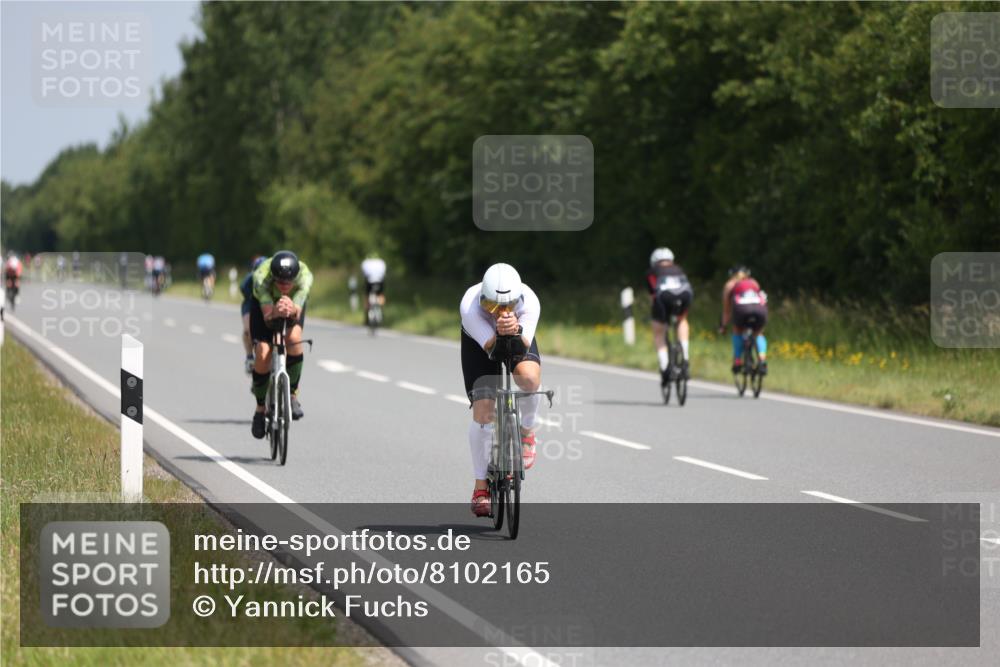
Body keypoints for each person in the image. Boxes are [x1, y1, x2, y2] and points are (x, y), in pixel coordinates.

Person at [460, 263, 542, 517]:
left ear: (518, 300)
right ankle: (480, 486)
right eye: (493, 307)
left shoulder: (529, 303)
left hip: (517, 335)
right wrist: (499, 331)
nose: (500, 312)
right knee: (484, 410)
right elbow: (490, 348)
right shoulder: (470, 306)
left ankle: (527, 431)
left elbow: (523, 344)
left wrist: (514, 329)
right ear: (483, 300)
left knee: (529, 380)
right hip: (480, 343)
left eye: (508, 306)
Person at [248, 251, 313, 438]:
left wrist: (292, 310)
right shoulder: (261, 278)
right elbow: (268, 317)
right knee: (263, 352)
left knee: (293, 339)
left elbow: (297, 312)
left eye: (288, 283)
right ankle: (260, 410)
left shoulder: (305, 277)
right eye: (280, 283)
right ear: (273, 278)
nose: (284, 287)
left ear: (295, 278)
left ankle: (292, 395)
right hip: (264, 306)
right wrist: (276, 311)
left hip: (292, 306)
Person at [646, 247, 693, 386]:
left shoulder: (652, 272)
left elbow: (653, 296)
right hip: (685, 295)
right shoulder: (679, 269)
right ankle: (685, 356)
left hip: (664, 297)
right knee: (682, 320)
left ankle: (665, 366)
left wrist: (656, 316)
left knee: (659, 332)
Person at [720, 266, 768, 375]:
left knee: (737, 330)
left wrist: (723, 326)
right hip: (759, 310)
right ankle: (762, 359)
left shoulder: (730, 285)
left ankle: (737, 360)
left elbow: (727, 311)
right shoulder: (754, 282)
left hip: (741, 310)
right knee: (759, 333)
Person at [240, 256, 268, 374]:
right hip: (251, 303)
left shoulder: (274, 279)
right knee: (248, 330)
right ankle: (250, 357)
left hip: (267, 302)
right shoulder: (247, 282)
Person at [360, 253, 387, 320]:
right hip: (379, 282)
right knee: (380, 295)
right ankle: (381, 309)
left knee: (367, 295)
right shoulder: (381, 262)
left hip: (369, 282)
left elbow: (363, 274)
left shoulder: (366, 262)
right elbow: (383, 273)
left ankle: (367, 313)